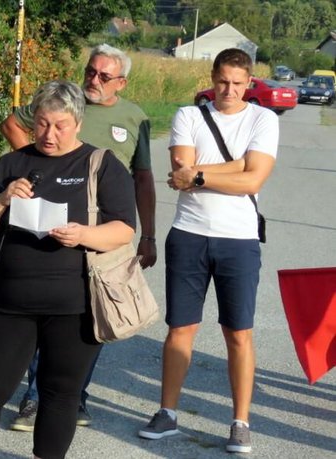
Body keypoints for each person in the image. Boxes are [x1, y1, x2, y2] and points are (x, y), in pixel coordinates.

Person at [0, 80, 136, 459]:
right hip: (8, 301)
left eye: (60, 125)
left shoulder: (100, 165)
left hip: (74, 305)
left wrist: (83, 234)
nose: (48, 134)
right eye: (40, 123)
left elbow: (122, 229)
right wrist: (3, 198)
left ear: (78, 123)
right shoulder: (11, 164)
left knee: (59, 395)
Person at [0, 43, 156, 429]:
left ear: (121, 81)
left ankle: (74, 396)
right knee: (44, 310)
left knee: (91, 317)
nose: (94, 80)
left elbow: (143, 178)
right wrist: (37, 162)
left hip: (103, 231)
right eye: (90, 71)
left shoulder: (135, 117)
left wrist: (148, 234)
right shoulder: (65, 103)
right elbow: (13, 123)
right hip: (50, 221)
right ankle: (34, 398)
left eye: (104, 76)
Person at [138, 48, 279, 454]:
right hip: (189, 234)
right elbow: (181, 176)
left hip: (239, 239)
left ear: (249, 83)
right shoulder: (188, 115)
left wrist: (201, 173)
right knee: (180, 328)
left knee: (238, 332)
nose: (229, 90)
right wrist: (236, 166)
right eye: (222, 82)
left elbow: (253, 182)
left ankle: (240, 421)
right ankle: (167, 413)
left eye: (238, 83)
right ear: (212, 78)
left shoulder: (263, 119)